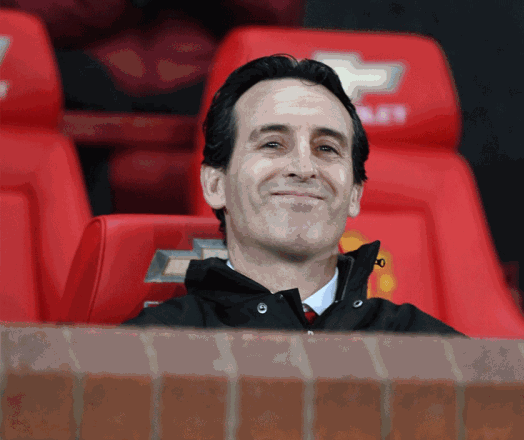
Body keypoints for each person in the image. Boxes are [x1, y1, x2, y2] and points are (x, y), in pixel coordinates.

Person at [124, 55, 461, 336]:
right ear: (215, 185)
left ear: (355, 194)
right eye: (272, 144)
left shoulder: (434, 349)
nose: (304, 168)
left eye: (326, 148)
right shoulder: (148, 350)